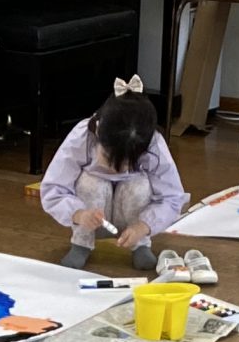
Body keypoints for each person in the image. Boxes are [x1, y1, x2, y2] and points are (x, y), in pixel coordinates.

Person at [39, 79, 191, 272]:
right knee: (91, 182)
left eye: (126, 163)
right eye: (109, 157)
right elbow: (53, 187)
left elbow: (172, 197)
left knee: (139, 185)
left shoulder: (154, 145)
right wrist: (78, 214)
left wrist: (144, 226)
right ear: (99, 132)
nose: (115, 169)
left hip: (130, 217)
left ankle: (140, 245)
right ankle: (81, 243)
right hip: (92, 217)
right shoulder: (83, 136)